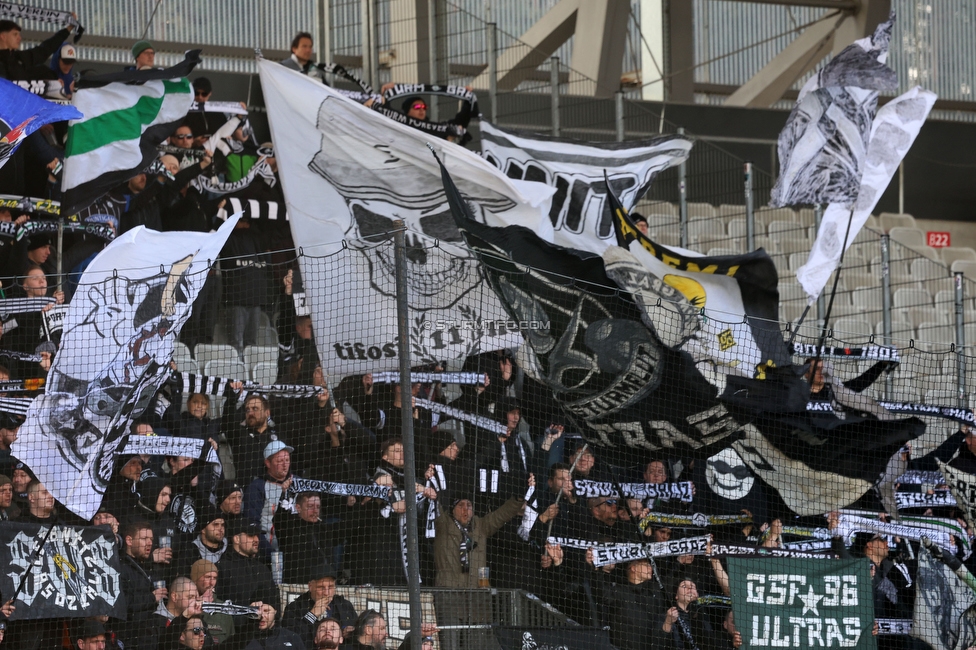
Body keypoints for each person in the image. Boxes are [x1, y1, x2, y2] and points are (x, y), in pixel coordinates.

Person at [433, 490, 526, 587]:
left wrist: (517, 499)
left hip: (477, 594)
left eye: (469, 505)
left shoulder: (480, 526)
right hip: (449, 592)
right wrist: (434, 498)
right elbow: (436, 511)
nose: (465, 509)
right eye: (461, 505)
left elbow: (501, 515)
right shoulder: (444, 525)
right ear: (452, 509)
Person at [282, 563, 358, 648]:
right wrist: (312, 615)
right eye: (321, 588)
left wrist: (353, 633)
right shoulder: (294, 608)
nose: (326, 593)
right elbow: (288, 641)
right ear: (310, 586)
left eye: (330, 587)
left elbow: (359, 638)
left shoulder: (345, 605)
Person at [118, 520, 167, 650]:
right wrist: (151, 598)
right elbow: (123, 603)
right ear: (129, 540)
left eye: (151, 539)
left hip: (148, 637)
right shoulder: (120, 568)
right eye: (144, 538)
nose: (150, 543)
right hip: (129, 638)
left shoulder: (147, 567)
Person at [274, 491, 338, 583]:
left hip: (324, 585)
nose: (315, 511)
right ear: (298, 508)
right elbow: (280, 518)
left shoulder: (324, 529)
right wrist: (284, 492)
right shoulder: (290, 527)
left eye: (318, 507)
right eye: (310, 506)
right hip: (297, 585)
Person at [215, 518, 279, 609]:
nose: (256, 539)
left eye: (257, 535)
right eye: (251, 535)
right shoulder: (222, 567)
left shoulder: (262, 569)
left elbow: (274, 602)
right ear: (236, 539)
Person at [244, 440, 294, 551]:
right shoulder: (257, 487)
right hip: (269, 549)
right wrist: (269, 554)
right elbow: (252, 524)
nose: (285, 465)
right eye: (280, 461)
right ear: (267, 463)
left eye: (287, 460)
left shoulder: (297, 483)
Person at [604, 558, 665, 650]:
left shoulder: (655, 591)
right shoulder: (618, 591)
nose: (651, 568)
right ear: (633, 568)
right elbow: (601, 595)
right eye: (647, 565)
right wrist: (605, 571)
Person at [0, 15, 76, 80]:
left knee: (45, 72)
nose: (19, 38)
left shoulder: (19, 58)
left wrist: (68, 29)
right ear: (3, 36)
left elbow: (44, 50)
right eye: (15, 34)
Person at [658, 578, 722, 650]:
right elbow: (657, 645)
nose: (689, 588)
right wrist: (668, 622)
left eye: (693, 587)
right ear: (676, 596)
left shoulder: (704, 618)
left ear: (697, 595)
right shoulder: (666, 616)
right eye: (684, 586)